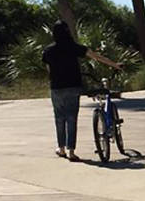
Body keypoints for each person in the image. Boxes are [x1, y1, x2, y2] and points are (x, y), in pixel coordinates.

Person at [42, 21, 122, 162]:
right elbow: (96, 57)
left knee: (59, 118)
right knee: (72, 118)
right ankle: (71, 151)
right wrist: (115, 65)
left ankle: (61, 148)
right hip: (73, 86)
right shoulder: (74, 47)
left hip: (56, 88)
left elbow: (48, 69)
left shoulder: (48, 51)